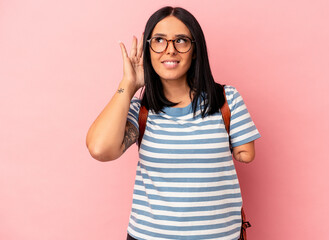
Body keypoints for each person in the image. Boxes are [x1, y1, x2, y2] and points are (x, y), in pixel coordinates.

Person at [86, 6, 261, 240]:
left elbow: (246, 153)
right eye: (159, 40)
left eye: (180, 40)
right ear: (149, 49)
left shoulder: (226, 100)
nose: (170, 50)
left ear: (195, 49)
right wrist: (128, 85)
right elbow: (100, 149)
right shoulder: (141, 110)